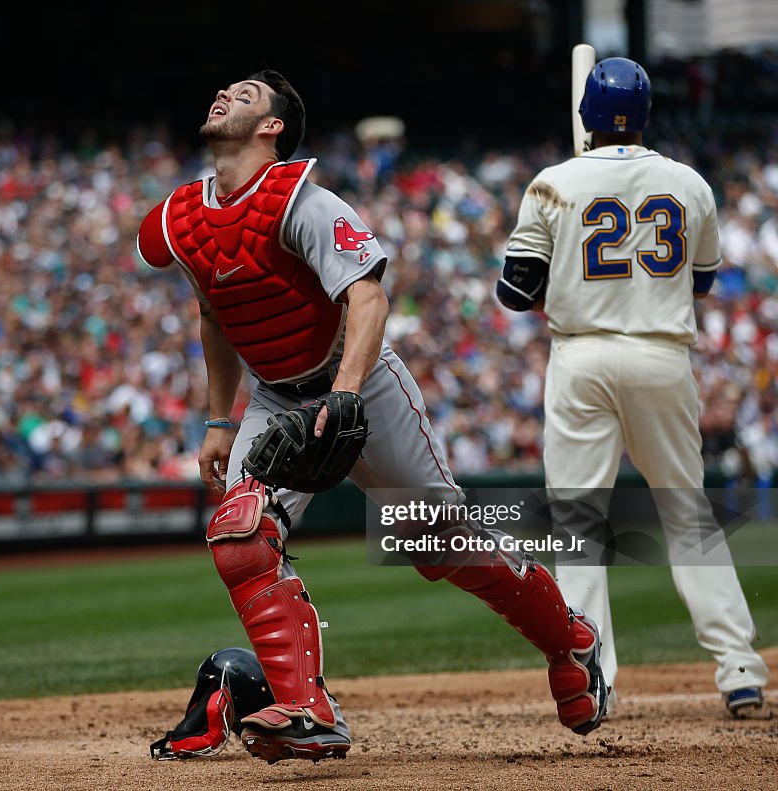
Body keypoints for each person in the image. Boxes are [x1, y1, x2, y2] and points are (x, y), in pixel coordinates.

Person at [138, 69, 608, 764]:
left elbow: (369, 299)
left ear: (272, 127)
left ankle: (570, 638)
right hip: (274, 395)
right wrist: (217, 418)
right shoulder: (183, 219)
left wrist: (346, 392)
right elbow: (213, 312)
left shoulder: (305, 200)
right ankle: (307, 710)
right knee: (240, 529)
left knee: (439, 545)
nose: (224, 95)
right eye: (223, 90)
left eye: (245, 96)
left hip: (360, 386)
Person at [497, 56, 770, 717]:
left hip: (582, 359)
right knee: (687, 514)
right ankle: (738, 667)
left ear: (586, 114)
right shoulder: (689, 183)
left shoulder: (552, 184)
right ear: (645, 116)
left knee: (578, 525)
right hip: (661, 355)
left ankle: (594, 676)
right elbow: (699, 282)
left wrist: (573, 271)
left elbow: (513, 293)